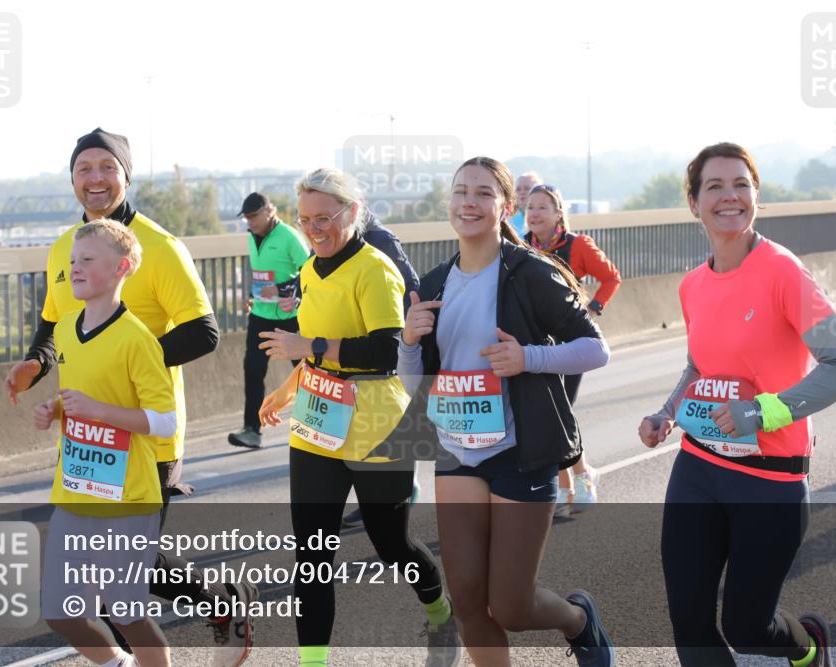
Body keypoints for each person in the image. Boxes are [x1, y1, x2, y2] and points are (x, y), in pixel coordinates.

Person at [3, 128, 254, 666]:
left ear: (126, 175)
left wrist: (128, 359)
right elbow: (53, 324)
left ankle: (211, 608)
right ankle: (220, 600)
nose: (95, 178)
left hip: (146, 436)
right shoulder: (66, 248)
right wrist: (36, 363)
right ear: (72, 179)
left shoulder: (159, 247)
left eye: (107, 167)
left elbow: (204, 331)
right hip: (87, 440)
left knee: (118, 585)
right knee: (113, 574)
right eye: (84, 168)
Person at [637, 142, 836, 667]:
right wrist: (667, 412)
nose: (730, 196)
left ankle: (808, 647)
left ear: (757, 195)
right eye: (714, 186)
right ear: (694, 203)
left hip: (771, 478)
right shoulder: (693, 285)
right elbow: (699, 366)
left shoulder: (784, 272)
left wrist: (761, 412)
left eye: (741, 184)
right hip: (698, 466)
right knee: (689, 622)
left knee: (746, 628)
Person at [398, 157, 614, 667]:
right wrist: (407, 342)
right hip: (457, 452)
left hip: (521, 451)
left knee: (512, 607)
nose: (469, 202)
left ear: (506, 206)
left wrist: (527, 358)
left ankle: (578, 619)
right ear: (449, 203)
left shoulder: (530, 273)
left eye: (483, 193)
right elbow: (416, 386)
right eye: (460, 192)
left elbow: (596, 349)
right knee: (469, 603)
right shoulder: (434, 283)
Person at [256, 168, 457, 667]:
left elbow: (387, 349)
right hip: (317, 423)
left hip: (377, 426)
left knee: (392, 545)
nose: (314, 229)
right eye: (305, 220)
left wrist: (308, 346)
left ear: (353, 211)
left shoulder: (376, 269)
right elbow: (316, 351)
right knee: (312, 556)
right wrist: (288, 386)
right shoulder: (309, 269)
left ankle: (440, 611)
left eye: (324, 218)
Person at [36, 219, 175, 667]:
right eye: (73, 260)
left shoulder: (138, 338)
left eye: (88, 259)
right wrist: (55, 409)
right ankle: (119, 663)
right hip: (75, 491)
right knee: (60, 612)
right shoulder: (64, 330)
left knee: (125, 612)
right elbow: (81, 392)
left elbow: (165, 421)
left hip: (127, 498)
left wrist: (99, 411)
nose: (75, 268)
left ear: (122, 267)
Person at [523, 183, 622, 517]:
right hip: (538, 343)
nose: (534, 213)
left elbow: (611, 278)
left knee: (560, 411)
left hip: (572, 342)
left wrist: (592, 309)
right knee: (548, 412)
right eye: (530, 207)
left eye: (542, 207)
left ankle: (580, 479)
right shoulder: (521, 246)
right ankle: (568, 485)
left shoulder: (578, 245)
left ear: (558, 214)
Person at [340, 208, 421, 528]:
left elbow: (411, 288)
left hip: (387, 344)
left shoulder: (379, 238)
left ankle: (399, 489)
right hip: (354, 348)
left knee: (385, 423)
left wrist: (398, 333)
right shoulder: (335, 239)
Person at [228, 192, 309, 449]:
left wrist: (283, 290)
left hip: (290, 318)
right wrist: (253, 297)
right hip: (260, 316)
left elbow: (311, 270)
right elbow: (262, 275)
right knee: (253, 370)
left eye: (254, 216)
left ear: (269, 211)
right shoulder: (252, 237)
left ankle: (318, 424)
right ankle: (252, 430)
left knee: (306, 372)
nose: (250, 222)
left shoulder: (289, 237)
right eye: (246, 218)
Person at [506, 171, 541, 238]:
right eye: (518, 189)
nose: (522, 192)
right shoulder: (508, 218)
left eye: (527, 188)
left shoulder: (546, 217)